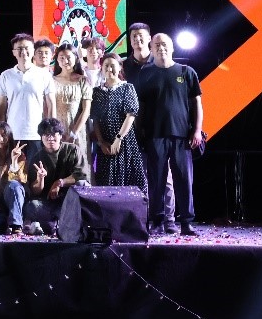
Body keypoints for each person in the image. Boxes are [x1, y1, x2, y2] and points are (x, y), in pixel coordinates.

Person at [135, 33, 204, 237]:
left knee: (184, 181)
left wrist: (197, 130)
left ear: (172, 47)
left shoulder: (186, 71)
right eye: (156, 45)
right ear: (151, 49)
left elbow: (197, 104)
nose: (160, 47)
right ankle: (157, 221)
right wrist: (139, 132)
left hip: (182, 137)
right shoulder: (145, 73)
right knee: (156, 181)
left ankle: (187, 223)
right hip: (154, 135)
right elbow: (140, 106)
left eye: (164, 44)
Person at [122, 21, 177, 233]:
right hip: (131, 129)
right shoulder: (123, 67)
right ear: (130, 41)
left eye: (141, 35)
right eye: (133, 36)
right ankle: (143, 219)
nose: (137, 39)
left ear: (149, 38)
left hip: (159, 128)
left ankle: (168, 219)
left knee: (165, 177)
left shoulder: (162, 62)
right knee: (137, 177)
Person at [23, 118, 91, 235]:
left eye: (53, 134)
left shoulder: (72, 150)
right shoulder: (37, 157)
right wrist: (40, 178)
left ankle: (68, 224)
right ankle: (54, 224)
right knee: (31, 206)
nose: (50, 138)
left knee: (82, 185)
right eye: (46, 135)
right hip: (49, 204)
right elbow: (35, 191)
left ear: (60, 135)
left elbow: (81, 176)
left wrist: (60, 182)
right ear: (41, 137)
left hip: (70, 202)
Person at [90, 54, 146, 194]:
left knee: (129, 183)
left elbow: (131, 115)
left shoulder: (127, 88)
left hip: (124, 142)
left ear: (120, 67)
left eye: (112, 66)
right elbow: (95, 119)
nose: (109, 69)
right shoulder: (96, 92)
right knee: (105, 184)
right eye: (106, 66)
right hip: (105, 144)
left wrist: (119, 139)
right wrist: (101, 142)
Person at [0, 33, 54, 152]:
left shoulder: (44, 75)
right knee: (13, 164)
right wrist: (1, 132)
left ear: (33, 51)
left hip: (37, 134)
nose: (23, 52)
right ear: (13, 52)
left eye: (27, 48)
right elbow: (1, 107)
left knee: (37, 164)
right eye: (19, 49)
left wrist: (50, 131)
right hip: (12, 134)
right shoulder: (6, 75)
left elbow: (51, 105)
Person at [51, 43, 92, 157]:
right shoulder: (51, 81)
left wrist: (74, 133)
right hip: (57, 132)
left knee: (79, 163)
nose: (65, 61)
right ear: (57, 60)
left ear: (76, 58)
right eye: (62, 58)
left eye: (69, 57)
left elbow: (86, 110)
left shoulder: (83, 80)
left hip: (78, 130)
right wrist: (55, 132)